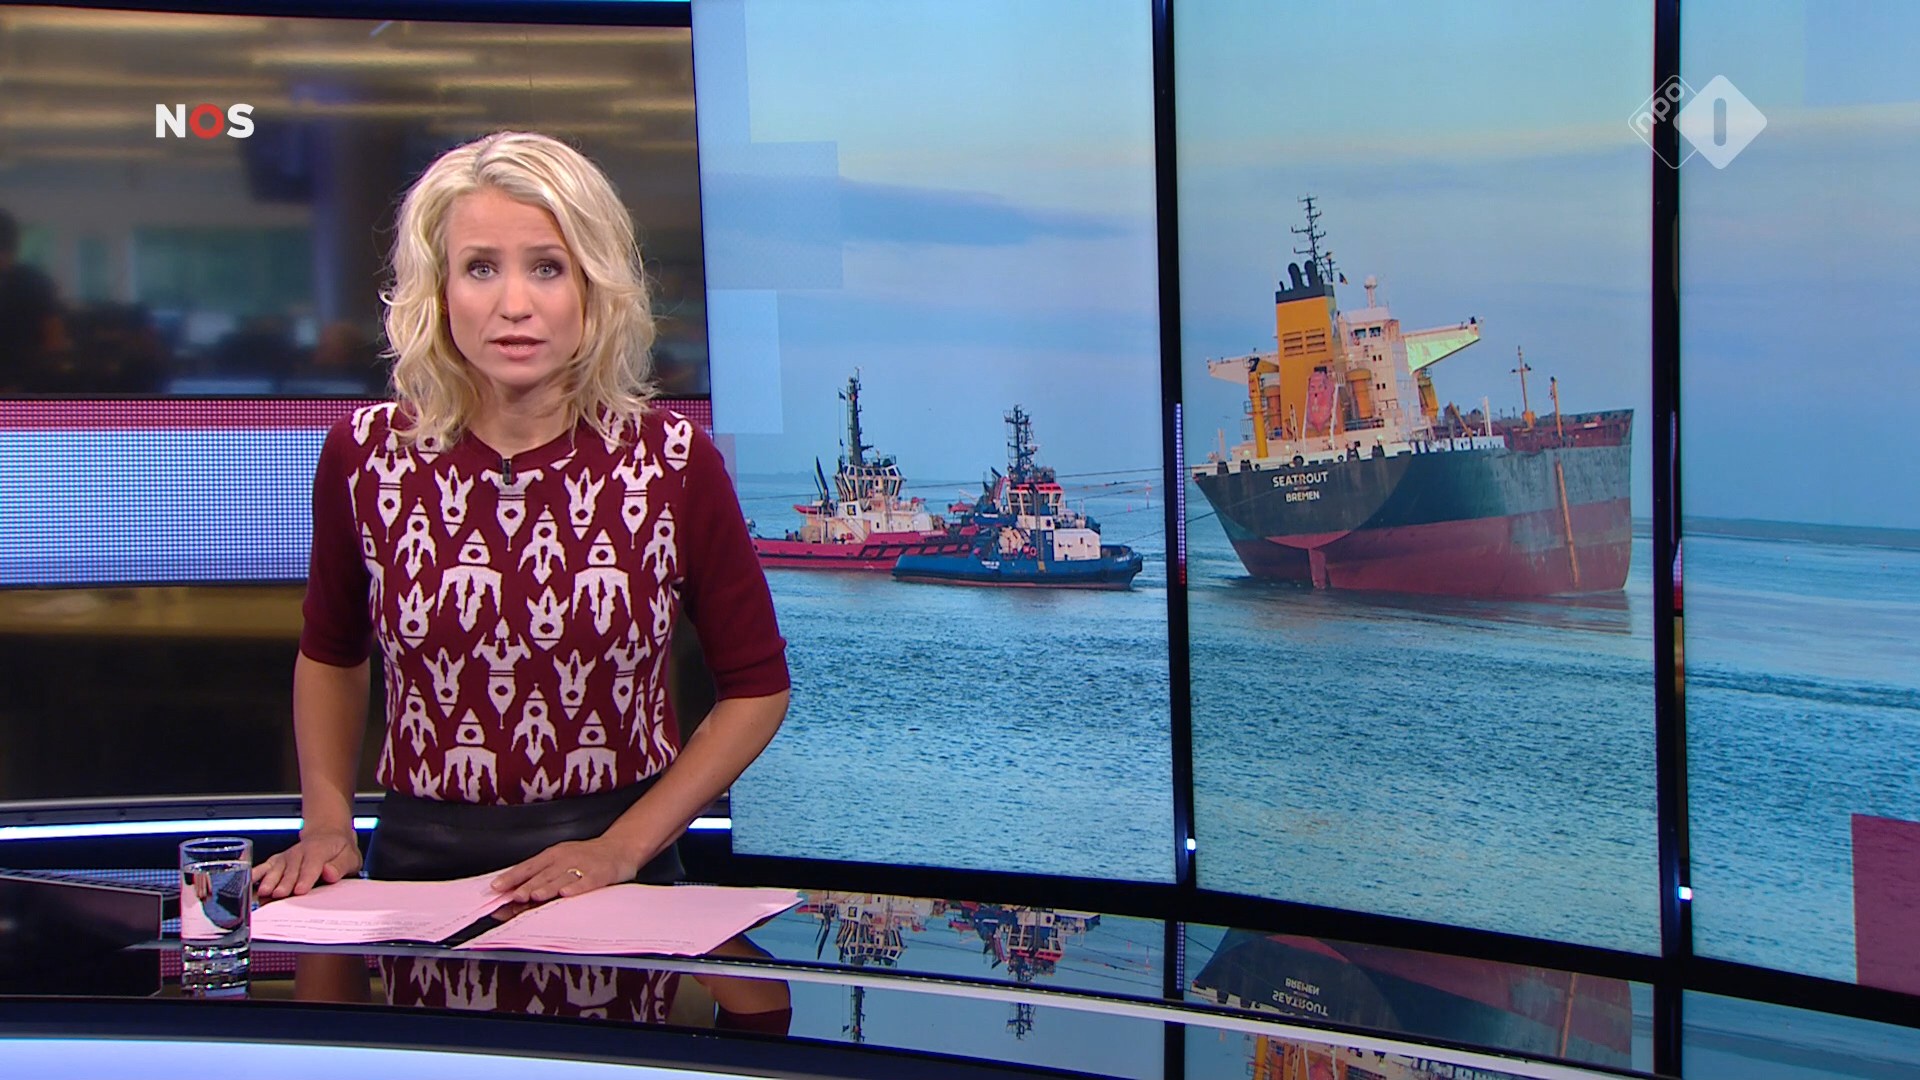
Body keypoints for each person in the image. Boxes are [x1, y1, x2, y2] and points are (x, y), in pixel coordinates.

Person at [255, 131, 789, 902]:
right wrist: (327, 824)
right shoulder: (365, 455)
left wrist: (622, 848)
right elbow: (332, 656)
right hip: (414, 868)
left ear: (594, 285)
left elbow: (757, 687)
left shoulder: (671, 461)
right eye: (480, 268)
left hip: (614, 874)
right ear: (438, 290)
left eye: (547, 267)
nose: (514, 305)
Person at [0, 208, 68, 393]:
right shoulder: (36, 281)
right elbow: (55, 342)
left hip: (22, 388)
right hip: (25, 388)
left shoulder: (34, 283)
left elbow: (54, 340)